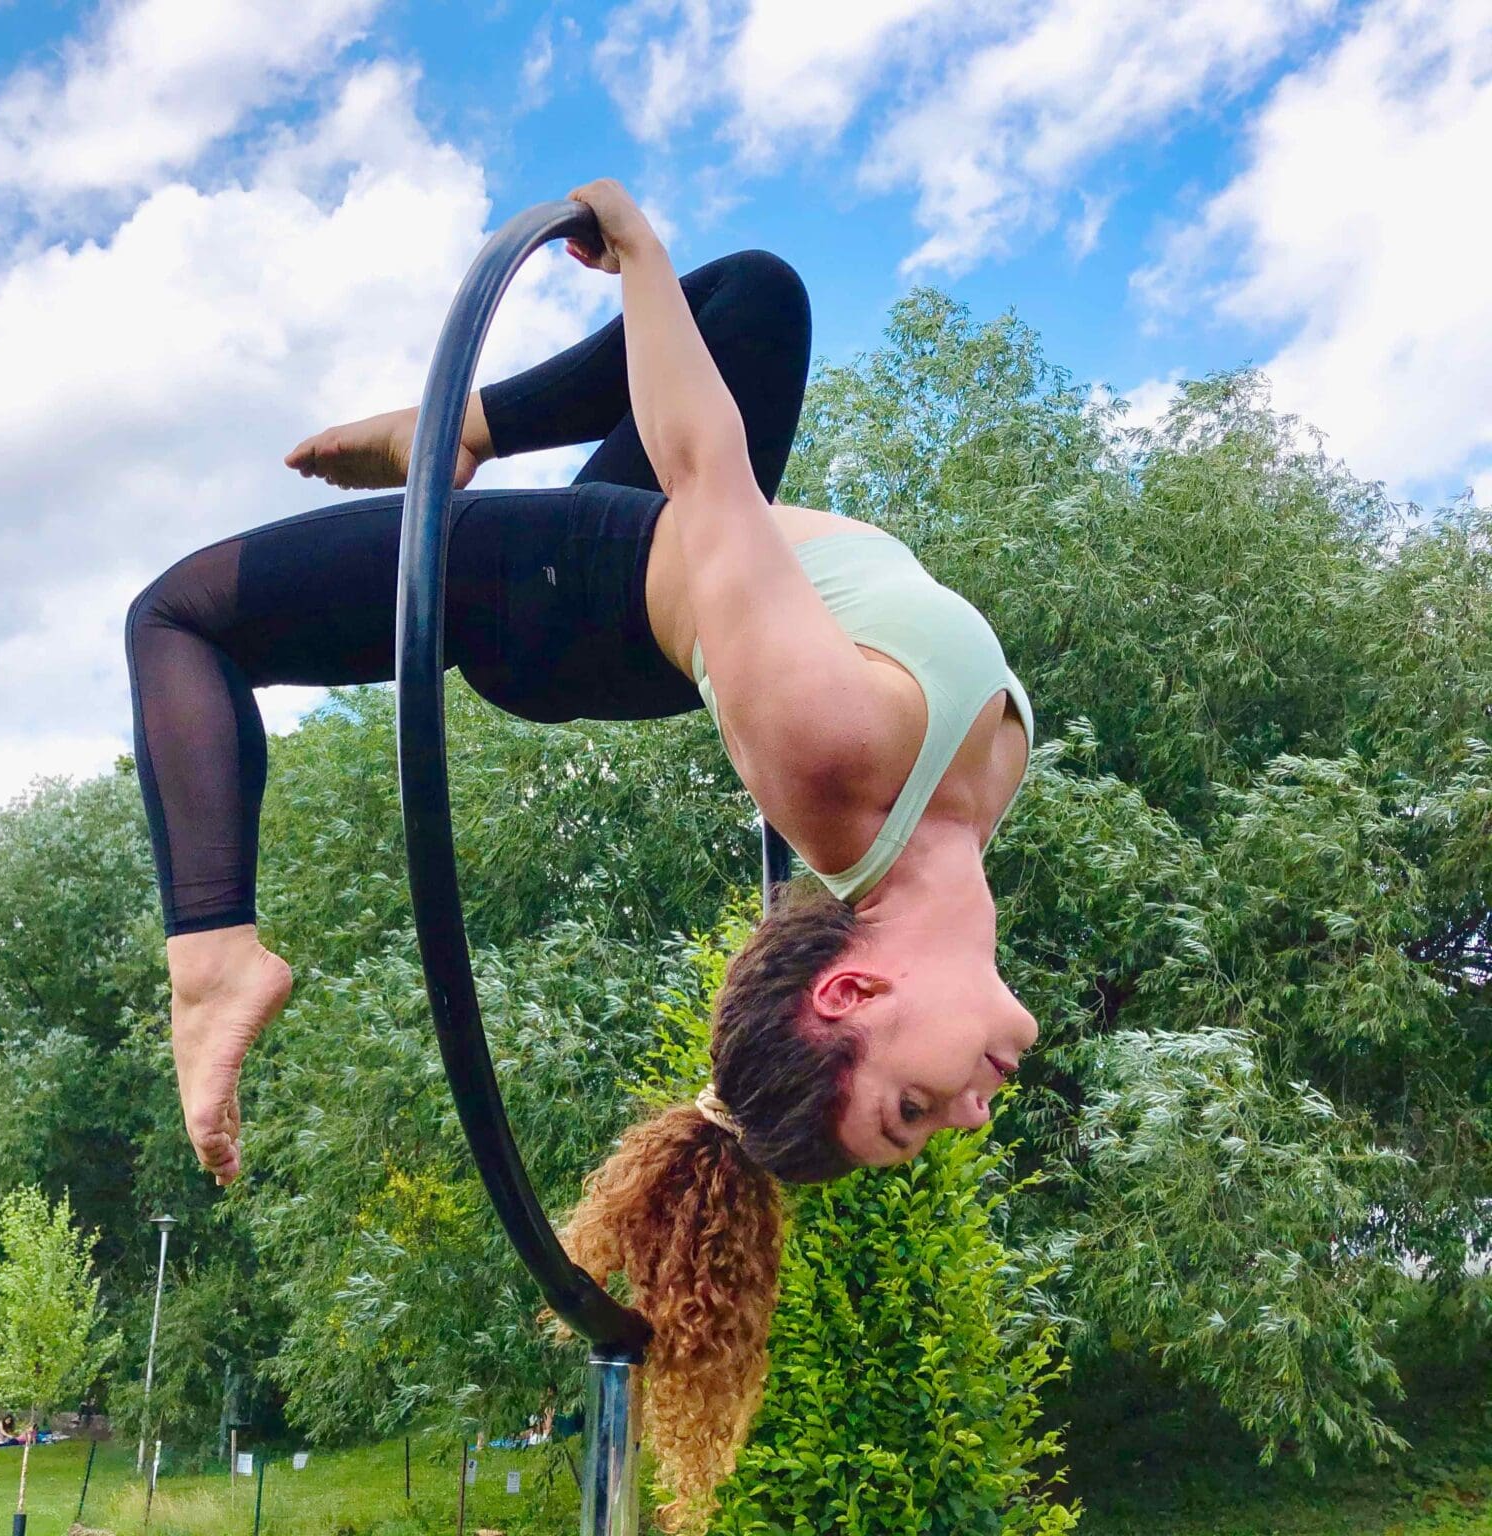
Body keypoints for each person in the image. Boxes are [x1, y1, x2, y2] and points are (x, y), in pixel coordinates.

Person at [126, 179, 1039, 1523]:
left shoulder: (835, 753)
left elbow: (704, 466)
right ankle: (460, 436)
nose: (965, 1116)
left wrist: (636, 253)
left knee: (180, 619)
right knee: (757, 299)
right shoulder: (950, 829)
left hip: (567, 604)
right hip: (644, 577)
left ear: (851, 992)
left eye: (909, 1109)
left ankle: (211, 955)